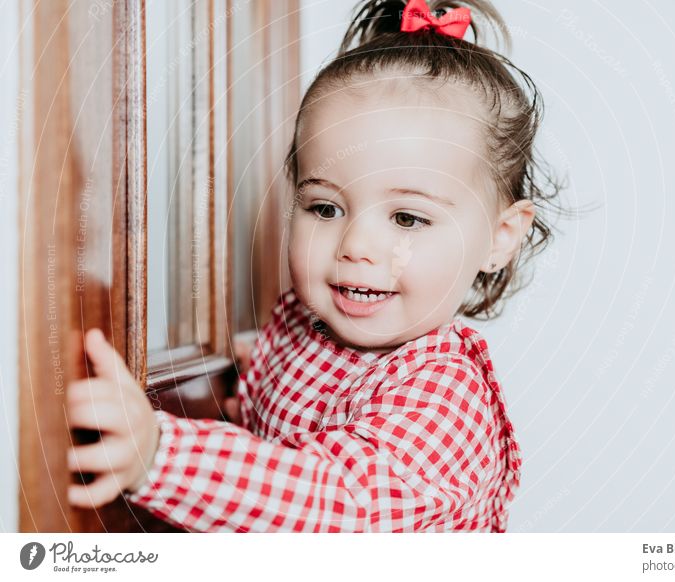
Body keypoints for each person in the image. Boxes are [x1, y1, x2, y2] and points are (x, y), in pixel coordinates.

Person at [66, 0, 565, 532]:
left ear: (500, 237)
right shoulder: (302, 325)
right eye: (325, 208)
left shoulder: (444, 400)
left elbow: (333, 505)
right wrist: (252, 383)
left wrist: (159, 454)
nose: (355, 245)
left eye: (408, 218)